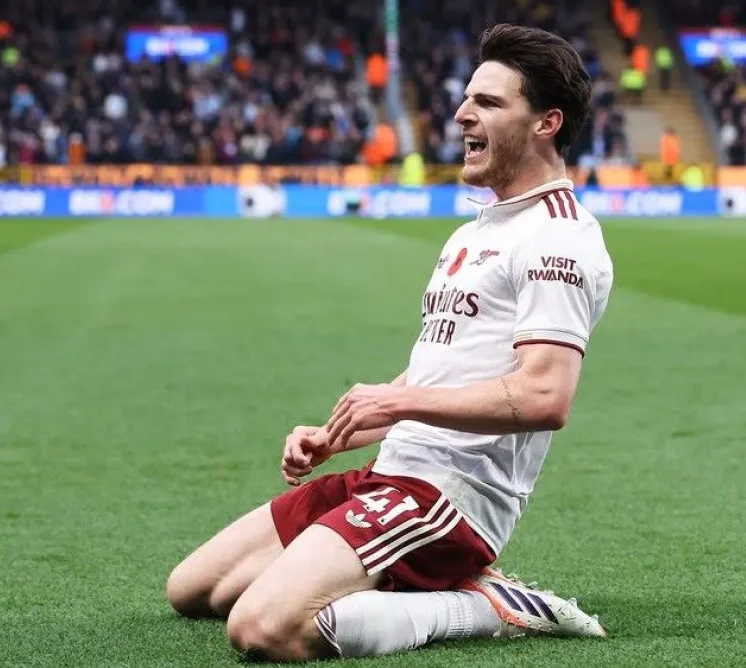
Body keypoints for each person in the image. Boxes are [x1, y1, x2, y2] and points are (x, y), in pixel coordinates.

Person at [165, 23, 615, 662]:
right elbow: (441, 371)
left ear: (546, 122)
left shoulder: (559, 236)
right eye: (467, 99)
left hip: (450, 499)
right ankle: (394, 577)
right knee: (195, 590)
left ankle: (492, 607)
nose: (462, 114)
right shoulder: (471, 234)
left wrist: (396, 407)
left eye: (488, 103)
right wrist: (343, 429)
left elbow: (545, 395)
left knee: (261, 628)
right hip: (392, 474)